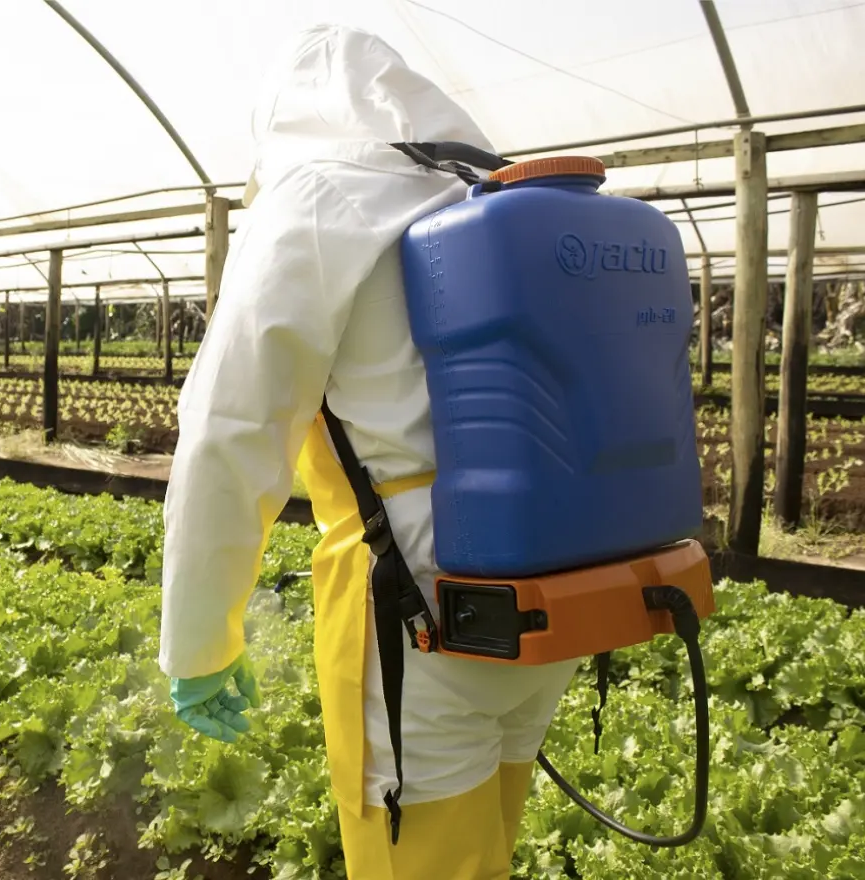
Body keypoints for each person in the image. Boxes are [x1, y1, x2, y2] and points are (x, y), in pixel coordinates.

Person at [158, 23, 581, 879]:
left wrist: (199, 644)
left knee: (416, 858)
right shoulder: (490, 198)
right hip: (551, 580)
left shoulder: (316, 198)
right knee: (485, 846)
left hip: (421, 602)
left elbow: (230, 433)